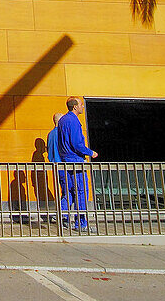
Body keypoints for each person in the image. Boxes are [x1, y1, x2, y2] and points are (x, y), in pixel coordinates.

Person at [57, 97, 97, 231]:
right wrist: (90, 152)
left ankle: (67, 219)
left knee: (69, 192)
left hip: (65, 160)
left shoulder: (62, 120)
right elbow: (77, 143)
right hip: (75, 161)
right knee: (81, 192)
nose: (83, 107)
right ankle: (81, 223)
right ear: (75, 107)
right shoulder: (73, 121)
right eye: (81, 104)